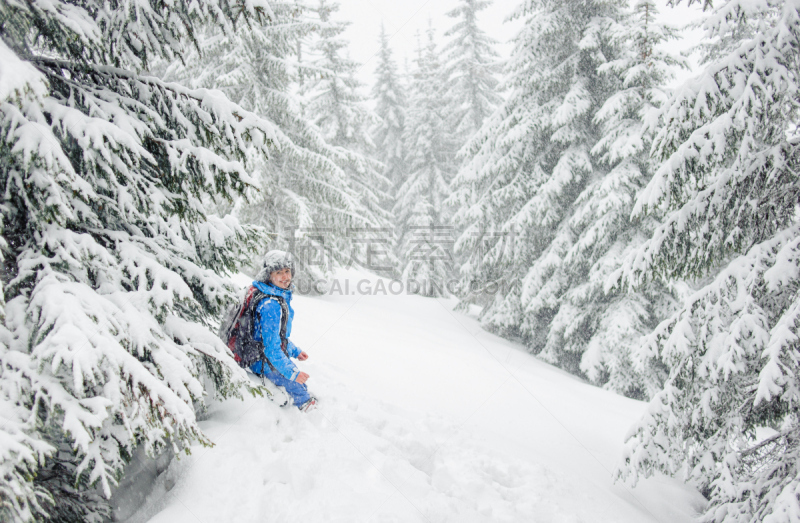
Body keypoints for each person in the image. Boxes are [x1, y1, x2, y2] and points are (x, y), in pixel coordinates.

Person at [250, 250, 317, 412]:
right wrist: (293, 374)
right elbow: (271, 348)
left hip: (266, 354)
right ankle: (305, 408)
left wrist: (295, 351)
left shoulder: (276, 296)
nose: (285, 277)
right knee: (299, 387)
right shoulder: (271, 305)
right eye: (279, 272)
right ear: (268, 275)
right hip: (260, 359)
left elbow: (278, 337)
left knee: (298, 380)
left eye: (287, 271)